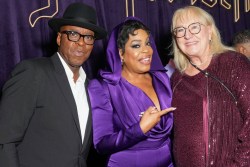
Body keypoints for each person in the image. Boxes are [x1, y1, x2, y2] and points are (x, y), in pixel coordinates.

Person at [0, 2, 106, 167]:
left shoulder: (91, 87)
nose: (81, 43)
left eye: (88, 37)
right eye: (73, 34)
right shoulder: (33, 73)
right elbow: (4, 140)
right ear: (59, 38)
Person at [88, 17, 175, 167]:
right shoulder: (104, 87)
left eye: (148, 43)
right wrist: (140, 129)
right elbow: (101, 144)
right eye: (136, 45)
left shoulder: (162, 78)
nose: (147, 50)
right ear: (120, 54)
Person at [170, 6, 250, 166]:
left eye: (194, 27)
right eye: (180, 30)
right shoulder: (176, 78)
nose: (187, 35)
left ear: (209, 31)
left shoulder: (234, 63)